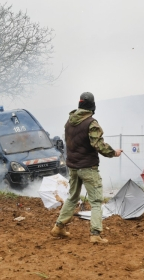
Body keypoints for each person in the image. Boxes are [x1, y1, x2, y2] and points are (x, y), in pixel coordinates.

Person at [51, 92, 122, 244]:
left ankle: (59, 227)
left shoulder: (68, 123)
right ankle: (95, 234)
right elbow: (98, 145)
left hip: (73, 167)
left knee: (72, 197)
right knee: (96, 201)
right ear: (92, 106)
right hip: (88, 167)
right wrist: (113, 152)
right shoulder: (91, 123)